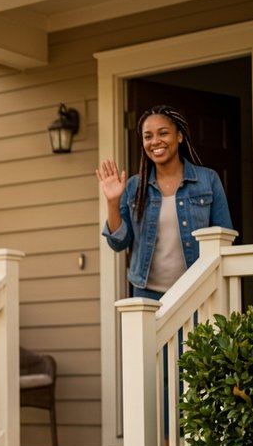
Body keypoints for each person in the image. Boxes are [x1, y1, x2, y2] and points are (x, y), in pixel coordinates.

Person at [96, 105, 233, 300]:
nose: (155, 141)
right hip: (147, 295)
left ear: (179, 136)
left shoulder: (207, 180)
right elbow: (119, 243)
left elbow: (224, 237)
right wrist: (112, 201)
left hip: (197, 289)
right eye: (148, 136)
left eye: (163, 133)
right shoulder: (134, 186)